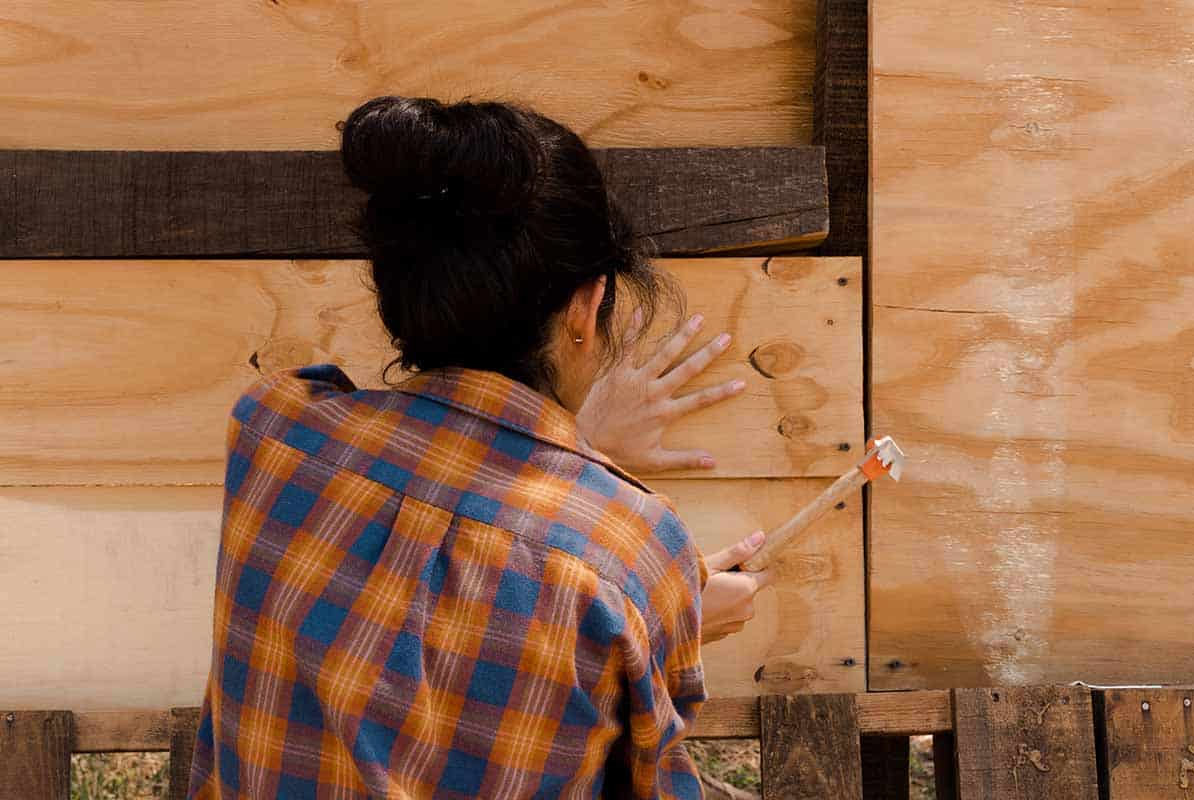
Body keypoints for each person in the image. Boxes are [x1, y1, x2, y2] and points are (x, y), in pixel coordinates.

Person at [186, 96, 775, 799]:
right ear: (587, 309)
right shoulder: (628, 552)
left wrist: (579, 453)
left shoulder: (274, 428)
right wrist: (659, 622)